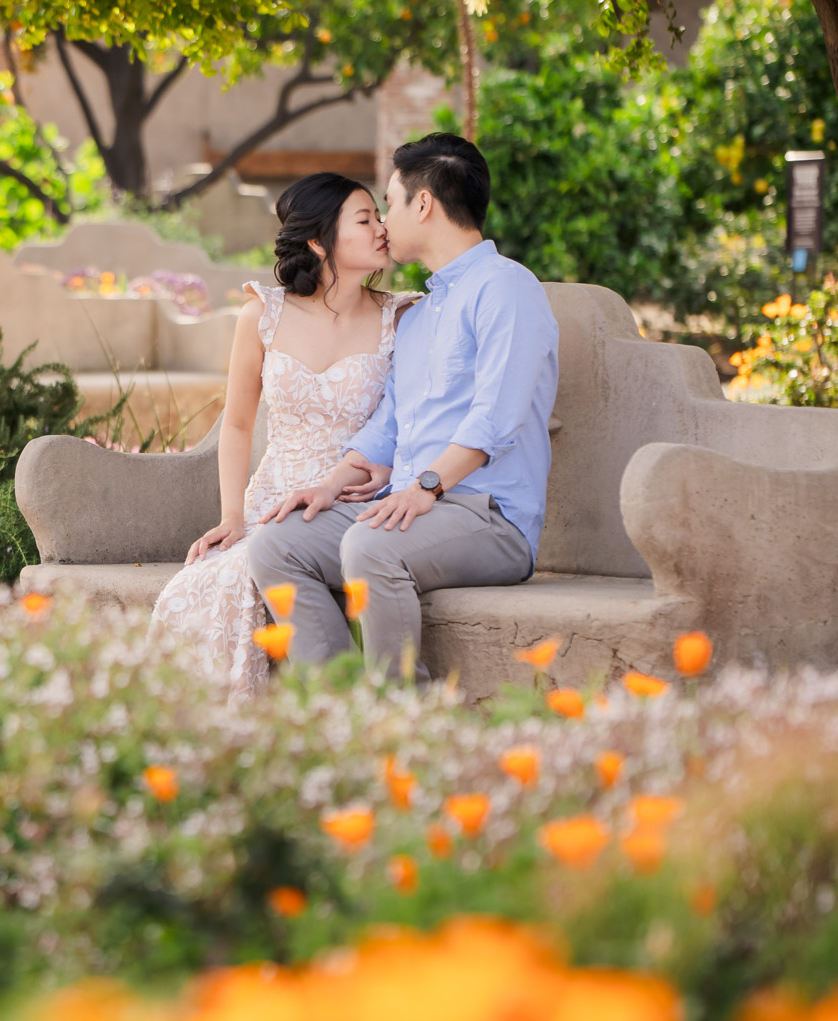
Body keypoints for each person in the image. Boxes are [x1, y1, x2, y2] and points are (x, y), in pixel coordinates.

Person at [246, 133, 560, 682]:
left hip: (488, 518)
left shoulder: (507, 288)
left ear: (424, 203)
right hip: (411, 505)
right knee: (276, 543)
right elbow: (386, 426)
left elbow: (496, 419)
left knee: (371, 547)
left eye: (388, 203)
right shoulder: (416, 316)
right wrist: (331, 482)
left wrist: (427, 487)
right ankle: (342, 706)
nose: (384, 223)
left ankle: (399, 719)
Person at [149, 172, 414, 698]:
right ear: (319, 241)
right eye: (365, 219)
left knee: (254, 569)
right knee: (204, 583)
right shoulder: (262, 315)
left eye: (379, 215)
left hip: (355, 499)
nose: (382, 227)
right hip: (270, 497)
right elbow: (239, 422)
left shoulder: (401, 318)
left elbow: (411, 418)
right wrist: (231, 516)